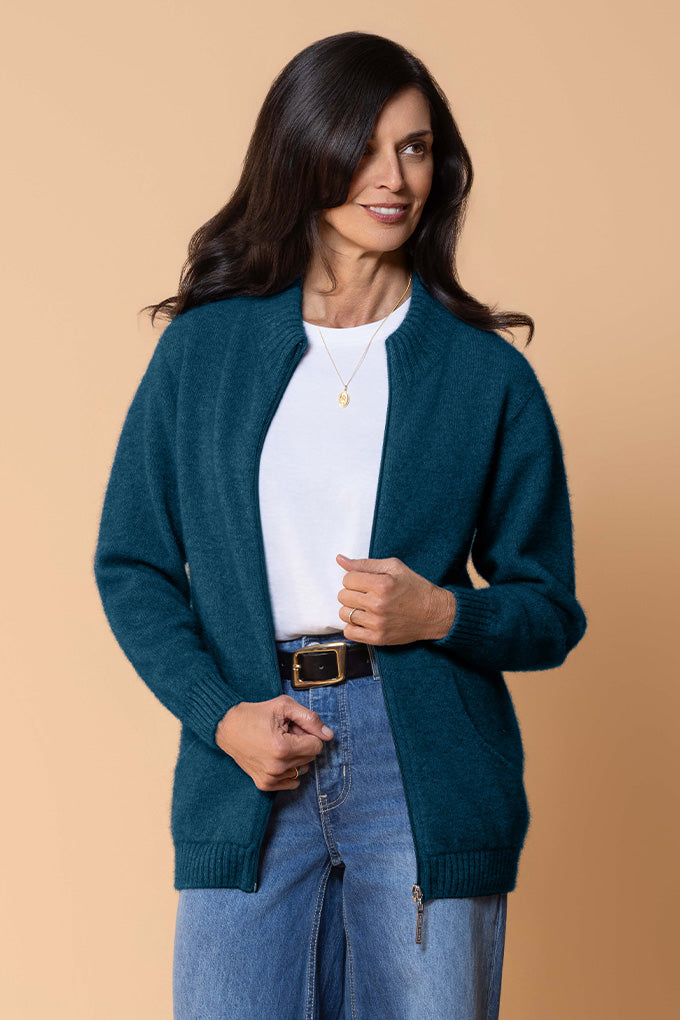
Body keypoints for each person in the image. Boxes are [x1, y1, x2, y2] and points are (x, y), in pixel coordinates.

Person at [93, 30, 587, 1020]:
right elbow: (133, 564)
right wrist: (220, 714)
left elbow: (548, 611)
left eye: (414, 148)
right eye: (363, 147)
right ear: (302, 151)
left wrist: (441, 613)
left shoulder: (484, 375)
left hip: (423, 771)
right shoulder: (204, 352)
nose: (393, 177)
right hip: (250, 753)